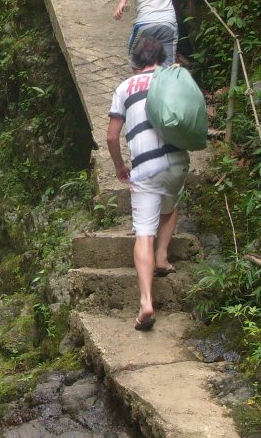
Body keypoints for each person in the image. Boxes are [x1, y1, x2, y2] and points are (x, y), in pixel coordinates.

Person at [107, 36, 190, 331]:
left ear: (135, 61)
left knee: (143, 233)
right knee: (172, 204)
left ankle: (146, 302)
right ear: (161, 58)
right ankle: (163, 257)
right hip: (177, 161)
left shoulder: (124, 88)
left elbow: (111, 136)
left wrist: (119, 167)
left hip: (145, 168)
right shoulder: (173, 78)